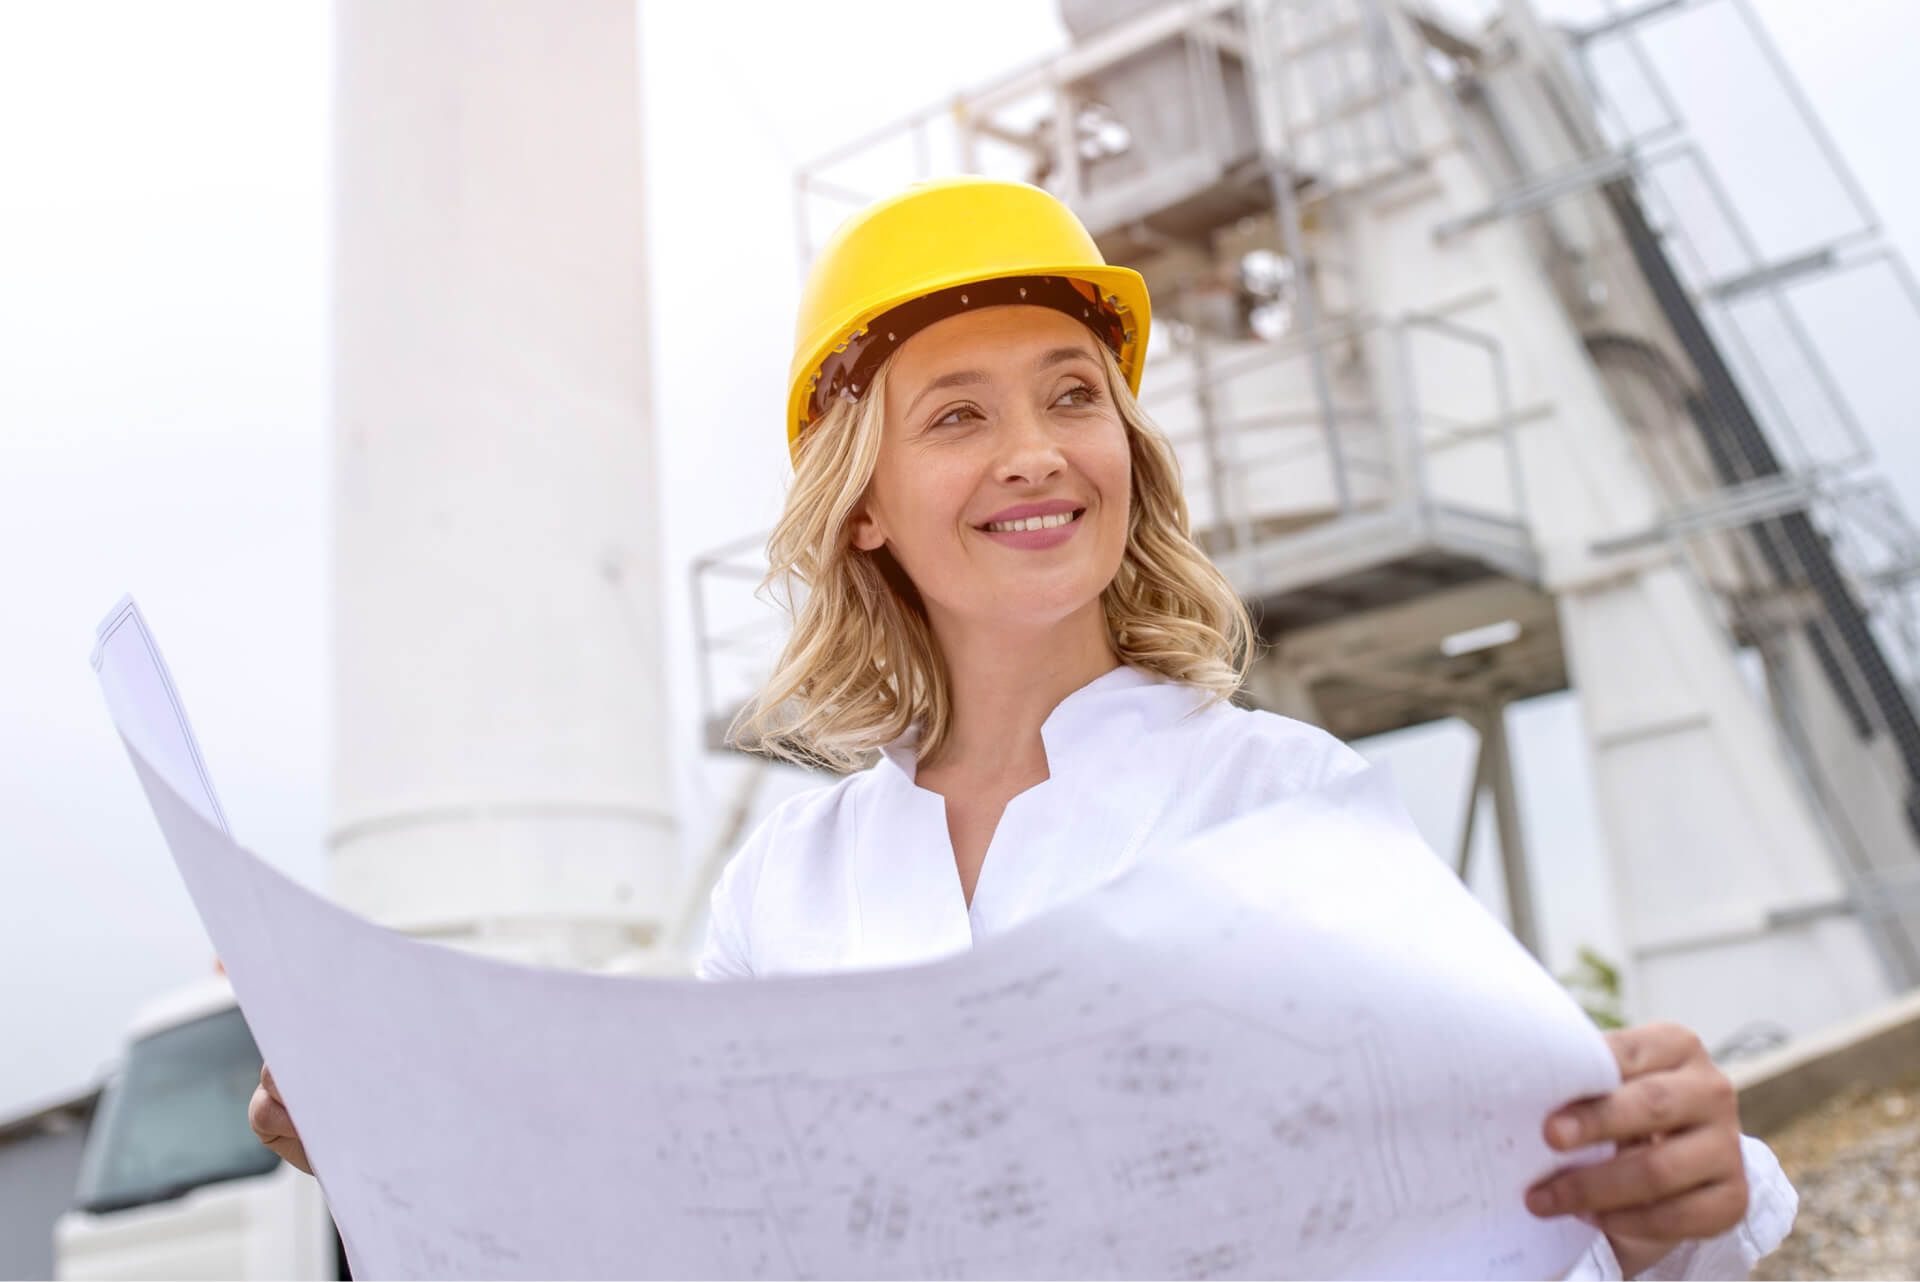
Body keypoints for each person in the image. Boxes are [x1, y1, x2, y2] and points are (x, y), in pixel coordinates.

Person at [252, 176, 1795, 1278]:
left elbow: (1553, 1174)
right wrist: (398, 1141)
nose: (1039, 452)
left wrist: (1693, 1191)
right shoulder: (783, 892)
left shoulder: (1281, 804)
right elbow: (673, 1237)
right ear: (861, 505)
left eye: (1074, 394)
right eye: (959, 413)